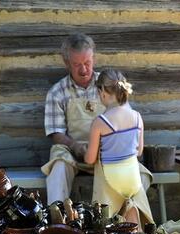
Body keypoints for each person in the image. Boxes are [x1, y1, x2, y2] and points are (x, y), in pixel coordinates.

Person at [41, 33, 151, 205]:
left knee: (141, 173)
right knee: (58, 167)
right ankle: (58, 221)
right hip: (72, 152)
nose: (83, 70)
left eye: (87, 63)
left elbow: (126, 118)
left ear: (94, 58)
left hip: (108, 151)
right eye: (77, 65)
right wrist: (75, 147)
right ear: (66, 63)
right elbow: (55, 133)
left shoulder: (108, 86)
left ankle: (125, 220)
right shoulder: (57, 92)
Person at [85, 69, 153, 227]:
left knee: (105, 220)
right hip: (132, 179)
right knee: (131, 206)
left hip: (110, 179)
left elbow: (90, 159)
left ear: (102, 91)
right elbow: (139, 151)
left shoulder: (100, 122)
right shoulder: (137, 117)